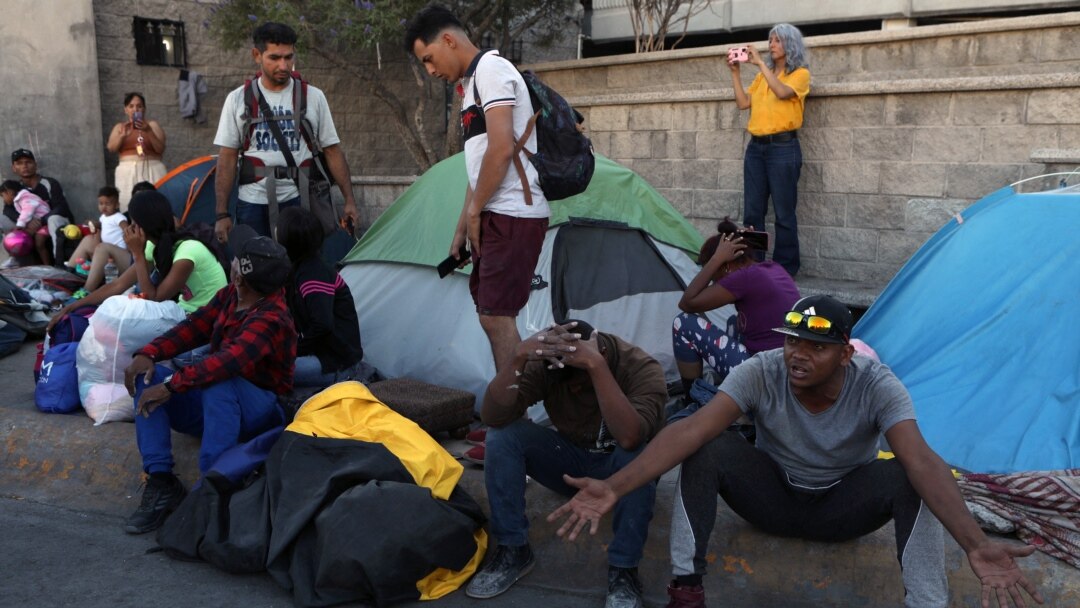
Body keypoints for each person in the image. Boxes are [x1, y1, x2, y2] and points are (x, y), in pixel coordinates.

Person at [549, 296, 1045, 608]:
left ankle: (927, 601)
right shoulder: (763, 369)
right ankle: (686, 588)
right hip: (771, 497)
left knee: (908, 478)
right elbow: (693, 428)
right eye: (792, 342)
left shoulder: (878, 386)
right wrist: (614, 486)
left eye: (815, 347)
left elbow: (921, 460)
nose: (797, 355)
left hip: (841, 508)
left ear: (846, 354)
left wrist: (975, 544)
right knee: (707, 447)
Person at [468, 320, 666, 608]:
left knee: (636, 455)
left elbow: (629, 438)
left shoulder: (640, 368)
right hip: (572, 463)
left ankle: (624, 571)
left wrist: (597, 369)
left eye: (578, 384)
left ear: (602, 357)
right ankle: (513, 548)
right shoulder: (552, 363)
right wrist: (517, 357)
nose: (574, 392)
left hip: (622, 472)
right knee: (503, 437)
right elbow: (493, 417)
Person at [121, 224, 296, 534]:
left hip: (260, 413)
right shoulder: (231, 295)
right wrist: (149, 352)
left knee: (217, 379)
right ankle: (161, 481)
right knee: (150, 376)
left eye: (235, 260)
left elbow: (227, 363)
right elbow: (193, 328)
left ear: (240, 276)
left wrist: (173, 385)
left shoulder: (271, 317)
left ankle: (210, 489)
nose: (229, 260)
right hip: (219, 408)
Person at [404, 6, 549, 373]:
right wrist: (461, 227)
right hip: (495, 212)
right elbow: (482, 164)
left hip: (514, 212)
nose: (431, 70)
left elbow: (501, 150)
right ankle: (510, 411)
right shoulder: (471, 84)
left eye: (429, 59)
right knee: (491, 315)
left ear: (449, 40)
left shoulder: (492, 70)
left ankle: (514, 417)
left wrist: (475, 213)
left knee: (496, 318)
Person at [212, 21, 358, 241]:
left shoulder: (314, 97)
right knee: (260, 269)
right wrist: (221, 213)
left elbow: (332, 150)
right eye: (274, 58)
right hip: (253, 203)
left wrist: (349, 200)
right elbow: (227, 158)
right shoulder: (237, 99)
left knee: (300, 267)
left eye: (288, 57)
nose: (283, 65)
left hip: (300, 201)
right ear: (257, 55)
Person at [47, 191, 227, 332]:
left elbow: (154, 298)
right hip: (185, 311)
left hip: (207, 317)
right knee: (110, 316)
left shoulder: (188, 250)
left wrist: (137, 254)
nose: (130, 227)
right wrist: (74, 306)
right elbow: (118, 285)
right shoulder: (152, 246)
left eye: (133, 222)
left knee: (122, 328)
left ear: (144, 224)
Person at [672, 217, 799, 404]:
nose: (715, 283)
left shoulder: (743, 277)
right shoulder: (773, 268)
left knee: (683, 324)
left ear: (727, 265)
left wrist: (716, 259)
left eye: (715, 274)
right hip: (784, 371)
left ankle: (692, 399)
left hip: (762, 379)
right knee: (734, 323)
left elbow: (687, 303)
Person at [729, 24, 810, 276]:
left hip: (783, 148)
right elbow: (743, 103)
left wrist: (761, 66)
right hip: (756, 149)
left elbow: (783, 92)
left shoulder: (800, 74)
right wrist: (735, 73)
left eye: (777, 40)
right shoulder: (761, 77)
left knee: (784, 213)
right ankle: (753, 267)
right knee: (753, 212)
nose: (771, 44)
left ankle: (785, 270)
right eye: (770, 40)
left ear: (790, 44)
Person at [276, 206, 364, 387]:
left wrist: (292, 347)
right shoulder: (298, 269)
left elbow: (322, 324)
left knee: (266, 370)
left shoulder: (313, 274)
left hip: (335, 363)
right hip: (320, 354)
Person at [7, 148, 75, 265]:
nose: (25, 166)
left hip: (56, 223)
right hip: (33, 227)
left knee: (54, 219)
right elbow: (7, 209)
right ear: (14, 168)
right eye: (19, 163)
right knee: (6, 222)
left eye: (28, 162)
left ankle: (60, 263)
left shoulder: (49, 183)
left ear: (35, 165)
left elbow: (61, 207)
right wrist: (27, 222)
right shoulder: (16, 188)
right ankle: (19, 264)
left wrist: (40, 221)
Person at [105, 92, 168, 210]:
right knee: (128, 205)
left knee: (156, 205)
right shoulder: (120, 127)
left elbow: (160, 149)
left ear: (144, 109)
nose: (135, 109)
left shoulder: (152, 125)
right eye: (131, 106)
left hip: (152, 168)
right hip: (127, 171)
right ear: (126, 110)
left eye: (139, 106)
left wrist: (148, 131)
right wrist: (122, 136)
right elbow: (111, 148)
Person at [64, 186, 130, 293]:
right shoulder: (103, 217)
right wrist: (93, 224)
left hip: (117, 255)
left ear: (117, 204)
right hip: (104, 253)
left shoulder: (119, 217)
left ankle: (87, 290)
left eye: (108, 204)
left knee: (101, 247)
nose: (104, 207)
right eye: (101, 203)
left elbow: (127, 231)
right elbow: (101, 225)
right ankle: (68, 274)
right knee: (88, 239)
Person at [0, 180, 52, 265]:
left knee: (38, 243)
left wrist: (20, 225)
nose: (4, 200)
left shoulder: (25, 198)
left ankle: (48, 265)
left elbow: (27, 211)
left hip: (45, 224)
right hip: (39, 223)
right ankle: (15, 259)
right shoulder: (20, 199)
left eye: (3, 196)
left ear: (9, 192)